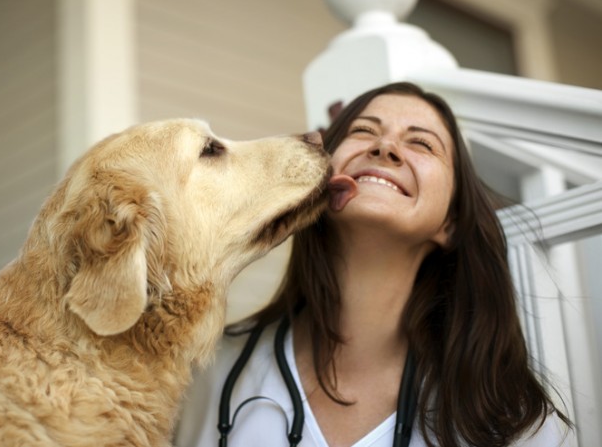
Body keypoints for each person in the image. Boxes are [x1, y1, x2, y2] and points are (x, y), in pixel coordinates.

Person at [175, 82, 573, 447]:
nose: (386, 148)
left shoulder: (515, 421)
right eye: (363, 131)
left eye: (422, 144)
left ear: (450, 222)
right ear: (321, 179)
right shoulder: (204, 374)